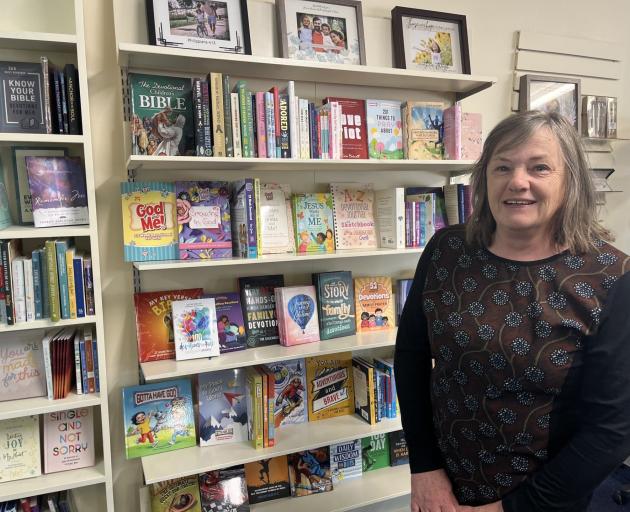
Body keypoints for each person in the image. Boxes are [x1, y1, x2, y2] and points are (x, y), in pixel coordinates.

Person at [394, 110, 630, 512]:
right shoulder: (446, 250)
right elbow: (412, 356)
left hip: (544, 499)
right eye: (503, 166)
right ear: (485, 177)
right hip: (442, 492)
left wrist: (507, 509)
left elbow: (612, 430)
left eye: (539, 167)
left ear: (570, 180)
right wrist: (424, 468)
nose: (517, 181)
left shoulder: (612, 278)